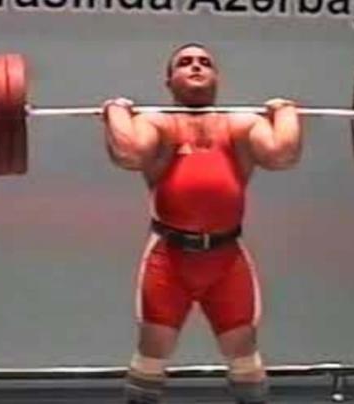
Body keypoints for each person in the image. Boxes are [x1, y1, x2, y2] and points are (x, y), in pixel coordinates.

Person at [101, 43, 303, 404]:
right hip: (169, 260)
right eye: (185, 62)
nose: (196, 67)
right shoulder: (157, 122)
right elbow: (129, 154)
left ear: (216, 77)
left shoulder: (241, 124)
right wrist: (115, 111)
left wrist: (286, 113)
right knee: (150, 360)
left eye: (204, 62)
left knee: (246, 362)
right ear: (169, 80)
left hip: (227, 261)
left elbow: (281, 155)